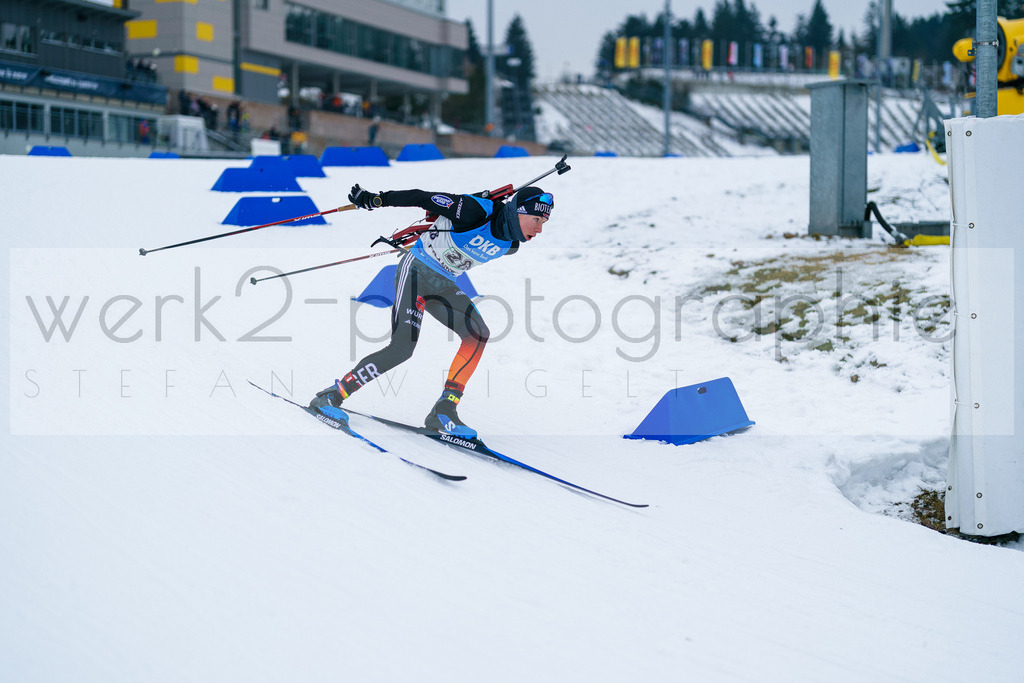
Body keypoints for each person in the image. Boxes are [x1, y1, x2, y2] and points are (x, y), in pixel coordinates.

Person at [309, 184, 554, 438]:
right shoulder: (473, 211)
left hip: (444, 284)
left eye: (544, 222)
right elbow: (420, 197)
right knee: (402, 348)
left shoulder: (512, 244)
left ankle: (444, 410)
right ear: (516, 211)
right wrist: (376, 199)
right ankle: (332, 395)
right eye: (536, 219)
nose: (539, 229)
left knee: (478, 334)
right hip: (415, 270)